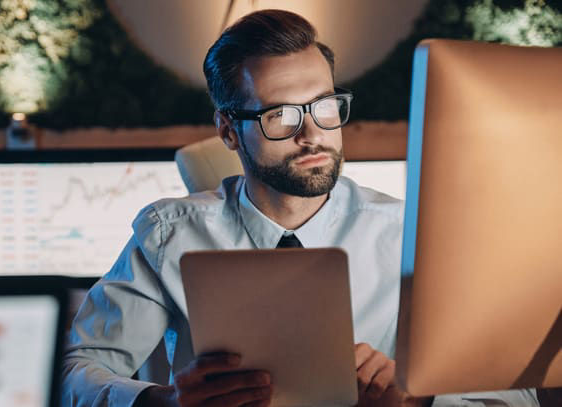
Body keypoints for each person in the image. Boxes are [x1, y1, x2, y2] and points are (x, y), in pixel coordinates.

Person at [62, 9, 539, 407]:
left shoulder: (411, 235)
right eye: (280, 115)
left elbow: (519, 395)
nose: (312, 135)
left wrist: (420, 400)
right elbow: (74, 371)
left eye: (324, 105)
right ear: (228, 130)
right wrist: (163, 401)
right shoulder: (169, 232)